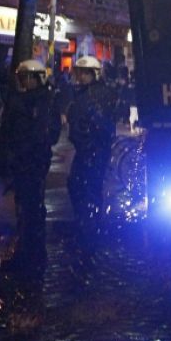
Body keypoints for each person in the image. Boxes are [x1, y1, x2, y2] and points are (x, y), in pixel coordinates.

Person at [0, 59, 61, 274]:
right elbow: (7, 132)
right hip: (22, 162)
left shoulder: (45, 102)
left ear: (35, 78)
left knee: (31, 209)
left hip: (33, 162)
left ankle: (31, 254)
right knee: (24, 208)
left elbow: (49, 134)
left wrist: (28, 151)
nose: (23, 82)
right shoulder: (21, 100)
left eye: (25, 77)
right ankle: (29, 251)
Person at [65, 55, 118, 235]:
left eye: (85, 74)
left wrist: (88, 141)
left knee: (89, 187)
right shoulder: (85, 94)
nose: (80, 78)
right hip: (87, 149)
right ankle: (87, 222)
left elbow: (101, 124)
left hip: (93, 150)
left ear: (94, 74)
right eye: (79, 73)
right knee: (79, 185)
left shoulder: (98, 95)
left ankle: (91, 226)